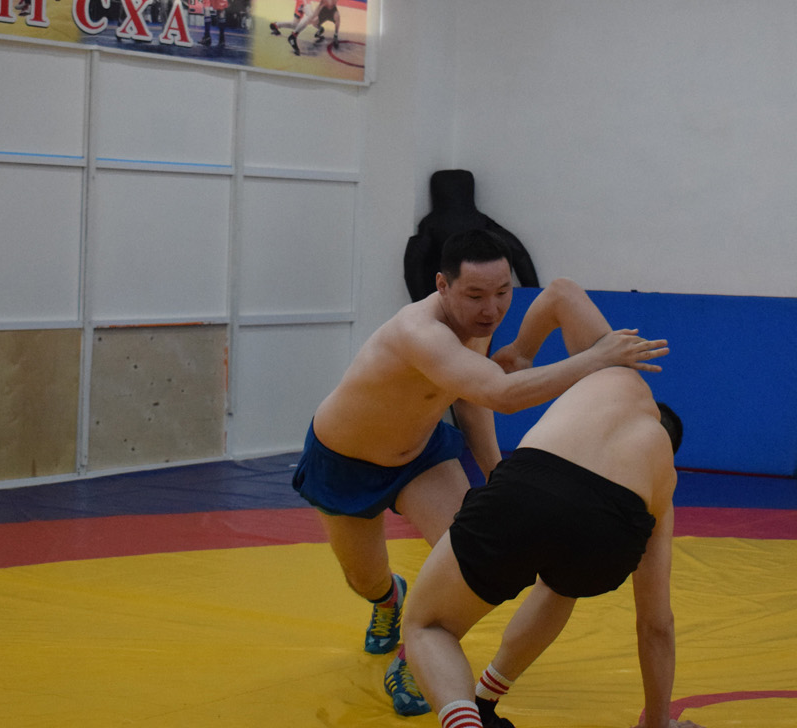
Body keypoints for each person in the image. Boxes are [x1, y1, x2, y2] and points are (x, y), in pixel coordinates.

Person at [293, 229, 667, 716]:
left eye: (502, 293)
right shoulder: (418, 331)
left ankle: (414, 658)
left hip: (421, 456)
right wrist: (595, 359)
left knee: (465, 556)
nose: (491, 310)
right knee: (364, 578)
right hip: (345, 460)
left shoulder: (479, 322)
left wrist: (496, 472)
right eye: (474, 295)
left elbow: (469, 402)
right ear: (442, 286)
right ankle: (388, 601)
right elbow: (500, 393)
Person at [403, 366, 702, 728]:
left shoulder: (618, 376)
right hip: (604, 539)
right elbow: (656, 624)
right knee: (563, 583)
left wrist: (525, 347)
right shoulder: (663, 479)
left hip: (531, 488)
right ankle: (484, 701)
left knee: (428, 626)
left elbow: (567, 320)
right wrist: (657, 722)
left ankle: (466, 723)